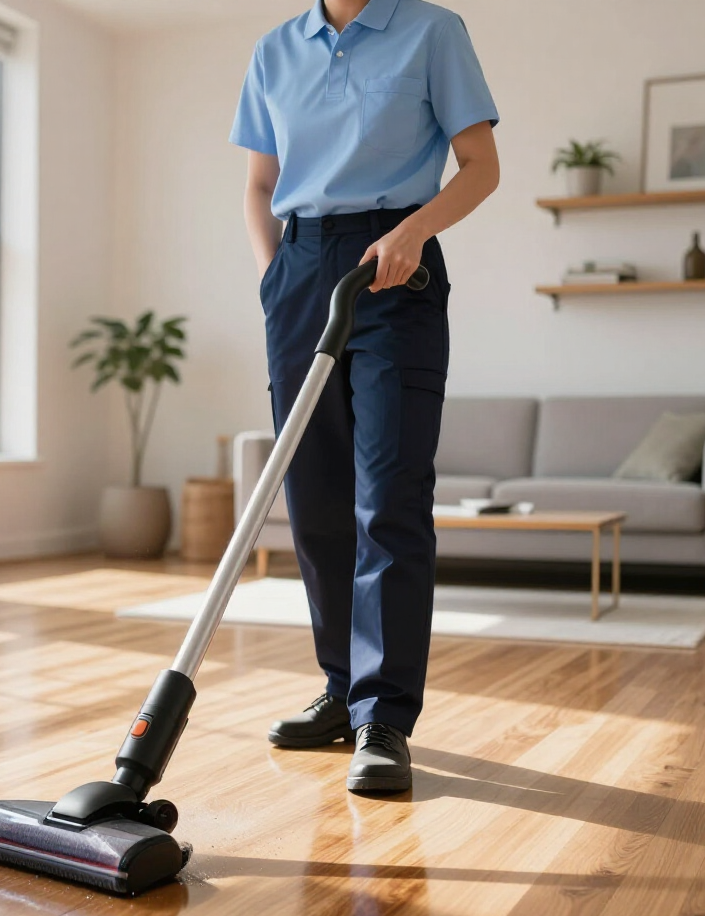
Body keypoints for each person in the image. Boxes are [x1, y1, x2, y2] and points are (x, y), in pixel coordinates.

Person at [230, 0, 499, 793]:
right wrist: (275, 278)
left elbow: (481, 166)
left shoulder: (432, 31)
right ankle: (342, 690)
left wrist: (414, 230)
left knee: (388, 494)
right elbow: (258, 183)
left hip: (398, 268)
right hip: (301, 270)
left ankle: (383, 717)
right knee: (314, 496)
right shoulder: (275, 51)